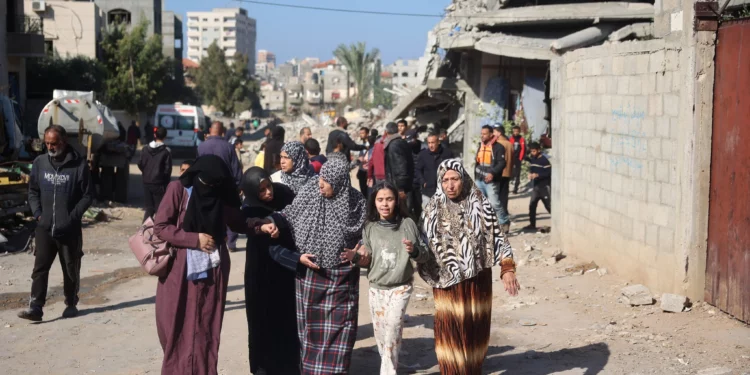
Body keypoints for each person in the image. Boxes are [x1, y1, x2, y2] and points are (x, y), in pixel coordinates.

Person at [263, 158, 366, 375]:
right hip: (310, 276)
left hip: (342, 278)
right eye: (321, 177)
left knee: (341, 330)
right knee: (312, 333)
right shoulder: (312, 190)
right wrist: (272, 222)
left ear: (338, 182)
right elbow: (289, 214)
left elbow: (368, 234)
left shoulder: (356, 202)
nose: (321, 183)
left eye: (326, 181)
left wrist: (359, 251)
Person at [152, 155, 250, 375]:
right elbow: (161, 227)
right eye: (206, 183)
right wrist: (194, 240)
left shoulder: (221, 195)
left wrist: (265, 224)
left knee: (206, 327)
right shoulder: (178, 190)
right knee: (175, 325)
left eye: (216, 185)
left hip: (212, 273)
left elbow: (239, 222)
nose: (210, 189)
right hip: (180, 272)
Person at [420, 159, 519, 375]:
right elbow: (421, 247)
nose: (450, 185)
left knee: (474, 332)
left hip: (477, 282)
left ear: (463, 178)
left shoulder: (480, 205)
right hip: (446, 284)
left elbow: (498, 238)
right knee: (450, 335)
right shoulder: (430, 211)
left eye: (454, 179)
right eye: (445, 180)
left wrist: (507, 268)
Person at [342, 182, 431, 375]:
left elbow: (424, 254)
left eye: (389, 199)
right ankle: (391, 364)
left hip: (401, 287)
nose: (385, 204)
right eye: (380, 199)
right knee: (382, 336)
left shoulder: (407, 224)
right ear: (374, 202)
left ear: (396, 202)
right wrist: (356, 257)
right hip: (376, 288)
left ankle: (388, 371)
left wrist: (414, 250)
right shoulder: (370, 227)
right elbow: (367, 260)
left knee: (392, 327)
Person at [18, 125, 94, 321]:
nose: (50, 147)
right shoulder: (40, 163)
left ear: (64, 142)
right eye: (47, 143)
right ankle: (36, 307)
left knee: (70, 268)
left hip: (69, 229)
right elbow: (33, 191)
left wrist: (72, 218)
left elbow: (87, 196)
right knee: (40, 269)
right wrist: (38, 215)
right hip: (44, 228)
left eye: (54, 143)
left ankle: (70, 302)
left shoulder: (79, 166)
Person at [239, 167, 303, 375]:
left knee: (287, 317)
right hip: (261, 269)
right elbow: (243, 225)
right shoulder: (249, 208)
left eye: (268, 186)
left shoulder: (284, 194)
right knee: (261, 319)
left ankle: (289, 366)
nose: (268, 193)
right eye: (262, 190)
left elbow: (297, 215)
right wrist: (261, 226)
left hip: (285, 269)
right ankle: (263, 367)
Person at [474, 125, 509, 228]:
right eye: (481, 133)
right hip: (479, 180)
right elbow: (477, 162)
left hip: (491, 181)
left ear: (491, 134)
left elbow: (502, 163)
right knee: (480, 204)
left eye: (484, 134)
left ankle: (504, 222)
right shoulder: (480, 145)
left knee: (494, 204)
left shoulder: (498, 147)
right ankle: (485, 226)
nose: (482, 136)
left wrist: (492, 173)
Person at [138, 126, 173, 222]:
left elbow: (140, 164)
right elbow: (167, 170)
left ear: (154, 135)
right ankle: (159, 231)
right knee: (159, 209)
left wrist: (146, 173)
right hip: (160, 184)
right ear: (165, 137)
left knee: (149, 208)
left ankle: (144, 231)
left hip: (147, 182)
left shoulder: (145, 149)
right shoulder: (166, 151)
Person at [383, 122, 415, 219]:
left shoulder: (394, 145)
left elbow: (400, 166)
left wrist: (401, 188)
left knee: (402, 214)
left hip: (399, 186)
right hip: (404, 184)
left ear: (386, 132)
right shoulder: (401, 142)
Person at [415, 132, 454, 208]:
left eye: (433, 142)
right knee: (428, 214)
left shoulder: (447, 153)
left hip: (444, 190)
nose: (430, 145)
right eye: (429, 143)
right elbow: (418, 170)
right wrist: (423, 182)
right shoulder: (423, 155)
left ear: (438, 142)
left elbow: (453, 169)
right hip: (428, 191)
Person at [197, 121, 242, 185]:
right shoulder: (229, 147)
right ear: (223, 132)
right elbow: (236, 171)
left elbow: (197, 168)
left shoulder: (201, 147)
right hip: (225, 187)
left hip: (205, 186)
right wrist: (237, 186)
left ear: (210, 130)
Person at [524, 142, 552, 232]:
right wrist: (531, 174)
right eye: (531, 151)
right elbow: (532, 169)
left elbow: (548, 173)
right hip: (536, 187)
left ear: (539, 150)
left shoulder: (544, 160)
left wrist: (537, 175)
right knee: (532, 206)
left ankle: (557, 223)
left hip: (544, 187)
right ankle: (532, 225)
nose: (532, 153)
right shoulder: (533, 159)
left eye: (534, 151)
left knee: (549, 206)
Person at [493, 125, 514, 233]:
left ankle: (502, 222)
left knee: (496, 200)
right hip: (507, 173)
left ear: (499, 133)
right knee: (503, 199)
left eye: (494, 132)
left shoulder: (499, 144)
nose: (493, 134)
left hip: (499, 174)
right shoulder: (510, 143)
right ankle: (504, 222)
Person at [510, 125, 526, 194]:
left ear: (519, 131)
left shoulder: (521, 139)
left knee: (517, 174)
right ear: (513, 131)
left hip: (518, 159)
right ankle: (507, 187)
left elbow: (523, 149)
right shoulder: (510, 139)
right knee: (510, 173)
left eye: (517, 131)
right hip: (511, 158)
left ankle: (515, 189)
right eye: (514, 131)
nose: (516, 132)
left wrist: (520, 158)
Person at [356, 127, 370, 194]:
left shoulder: (369, 145)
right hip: (362, 171)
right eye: (360, 133)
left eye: (363, 133)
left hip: (367, 171)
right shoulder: (362, 145)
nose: (361, 135)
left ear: (367, 134)